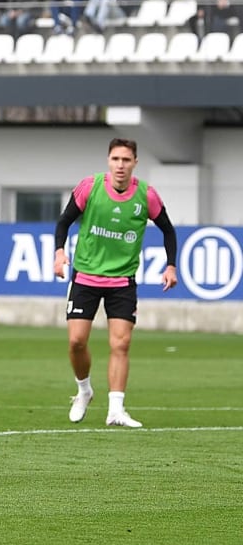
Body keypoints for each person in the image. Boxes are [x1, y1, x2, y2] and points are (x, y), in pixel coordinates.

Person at [53, 137, 177, 429]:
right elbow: (63, 222)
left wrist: (170, 265)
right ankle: (84, 391)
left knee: (121, 343)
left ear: (135, 163)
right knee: (76, 342)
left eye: (126, 160)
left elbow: (168, 231)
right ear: (108, 161)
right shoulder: (90, 187)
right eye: (115, 159)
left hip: (122, 281)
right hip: (85, 276)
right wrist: (59, 252)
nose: (120, 165)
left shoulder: (147, 196)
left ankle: (116, 410)